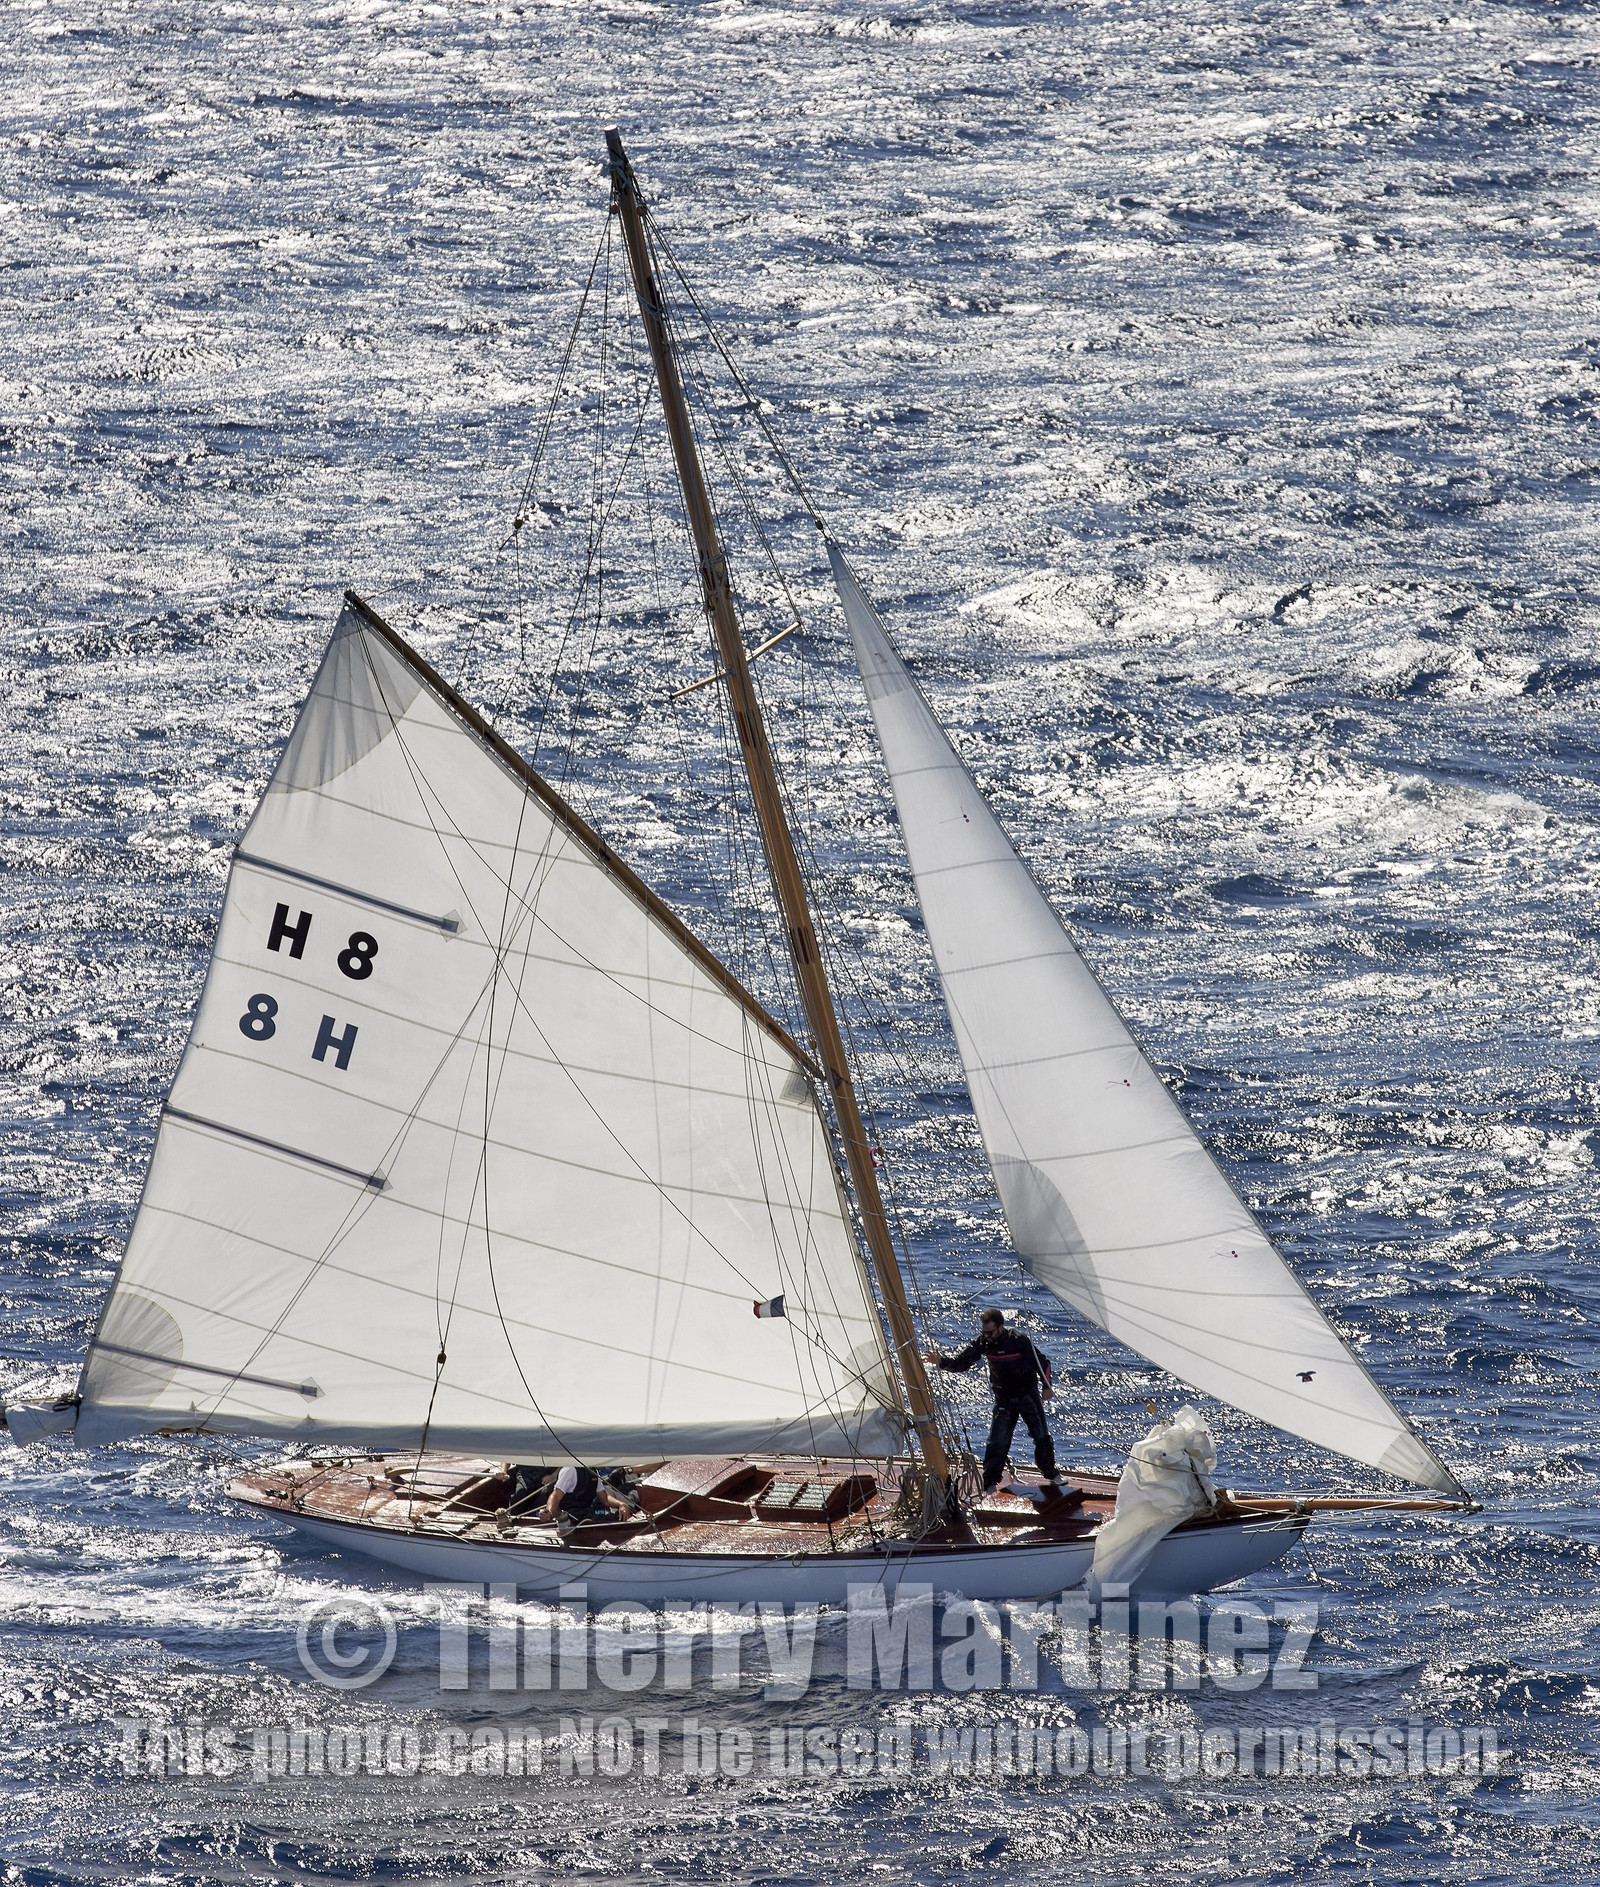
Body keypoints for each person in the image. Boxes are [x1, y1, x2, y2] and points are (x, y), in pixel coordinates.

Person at [924, 1308, 1061, 1495]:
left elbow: (1043, 1363)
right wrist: (940, 1361)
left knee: (1041, 1435)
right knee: (997, 1441)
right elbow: (962, 1363)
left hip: (1027, 1394)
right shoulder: (983, 1343)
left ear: (1001, 1327)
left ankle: (1052, 1474)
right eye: (984, 1332)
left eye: (990, 1332)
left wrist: (1047, 1386)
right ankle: (989, 1483)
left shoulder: (1018, 1340)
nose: (987, 1336)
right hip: (1004, 1397)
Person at [509, 1463, 639, 1532]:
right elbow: (555, 1496)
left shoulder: (593, 1472)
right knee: (607, 1518)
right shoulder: (570, 1470)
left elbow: (604, 1498)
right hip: (572, 1514)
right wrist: (550, 1512)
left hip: (586, 1512)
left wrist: (621, 1504)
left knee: (614, 1514)